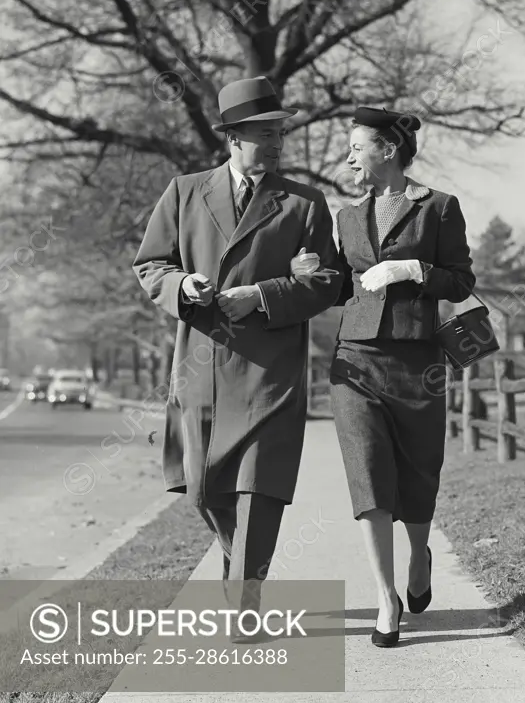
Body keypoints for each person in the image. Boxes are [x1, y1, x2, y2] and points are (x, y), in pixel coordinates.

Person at [133, 76, 342, 637]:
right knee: (203, 489)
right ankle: (242, 574)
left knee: (260, 489)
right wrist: (183, 286)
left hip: (271, 373)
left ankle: (245, 601)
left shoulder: (305, 203)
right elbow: (150, 265)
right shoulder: (183, 191)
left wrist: (264, 295)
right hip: (200, 365)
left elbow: (329, 281)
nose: (276, 143)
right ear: (233, 137)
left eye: (279, 132)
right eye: (264, 133)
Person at [318, 106, 475, 647]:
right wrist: (311, 275)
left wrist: (413, 270)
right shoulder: (344, 217)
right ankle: (386, 597)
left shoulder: (440, 207)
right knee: (368, 472)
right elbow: (340, 285)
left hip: (417, 361)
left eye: (356, 147)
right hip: (354, 359)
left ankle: (419, 556)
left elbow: (461, 281)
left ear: (387, 149)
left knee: (418, 470)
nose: (348, 157)